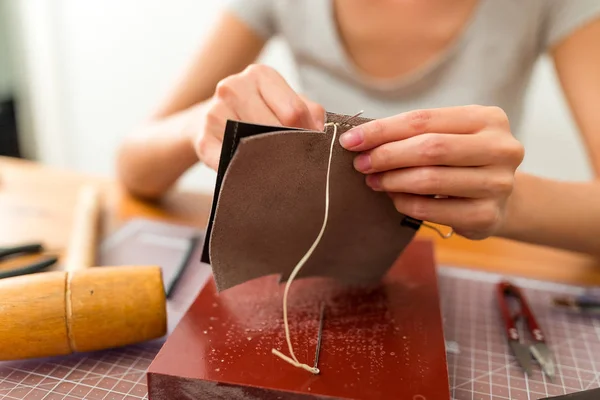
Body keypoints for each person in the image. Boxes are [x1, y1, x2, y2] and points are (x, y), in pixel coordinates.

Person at [116, 0, 600, 256]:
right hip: (315, 251)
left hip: (482, 260)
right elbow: (134, 165)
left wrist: (508, 202)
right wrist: (200, 126)